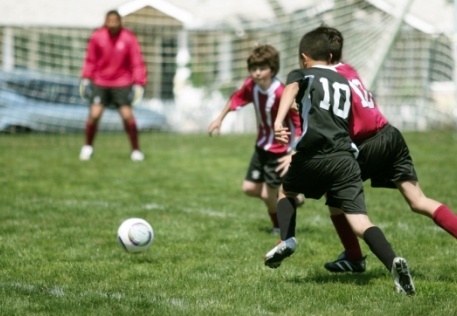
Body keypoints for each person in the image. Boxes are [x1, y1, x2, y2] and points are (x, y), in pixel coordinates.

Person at [263, 29, 415, 295]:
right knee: (360, 222)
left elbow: (291, 89)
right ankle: (393, 262)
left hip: (313, 155)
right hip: (345, 158)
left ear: (303, 58)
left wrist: (278, 121)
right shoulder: (344, 81)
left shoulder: (302, 74)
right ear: (331, 56)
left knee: (285, 191)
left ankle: (287, 240)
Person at [313, 25, 457, 273]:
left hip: (368, 143)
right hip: (391, 135)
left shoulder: (325, 81)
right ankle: (352, 257)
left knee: (335, 195)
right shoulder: (347, 68)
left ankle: (354, 258)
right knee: (418, 200)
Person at [208, 44, 303, 234]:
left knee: (268, 195)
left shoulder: (280, 93)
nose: (257, 73)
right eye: (254, 69)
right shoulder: (251, 86)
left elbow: (297, 121)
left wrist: (294, 148)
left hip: (279, 150)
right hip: (261, 146)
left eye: (262, 68)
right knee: (249, 188)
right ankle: (291, 198)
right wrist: (219, 118)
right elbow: (236, 98)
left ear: (273, 69)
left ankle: (279, 228)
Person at [79, 10, 147, 161]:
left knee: (127, 116)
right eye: (110, 20)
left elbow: (137, 62)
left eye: (116, 20)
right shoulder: (97, 37)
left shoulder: (128, 38)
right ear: (106, 21)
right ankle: (87, 147)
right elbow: (90, 59)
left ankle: (136, 150)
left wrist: (139, 83)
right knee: (95, 114)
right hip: (100, 82)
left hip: (122, 83)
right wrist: (86, 78)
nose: (113, 24)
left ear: (120, 21)